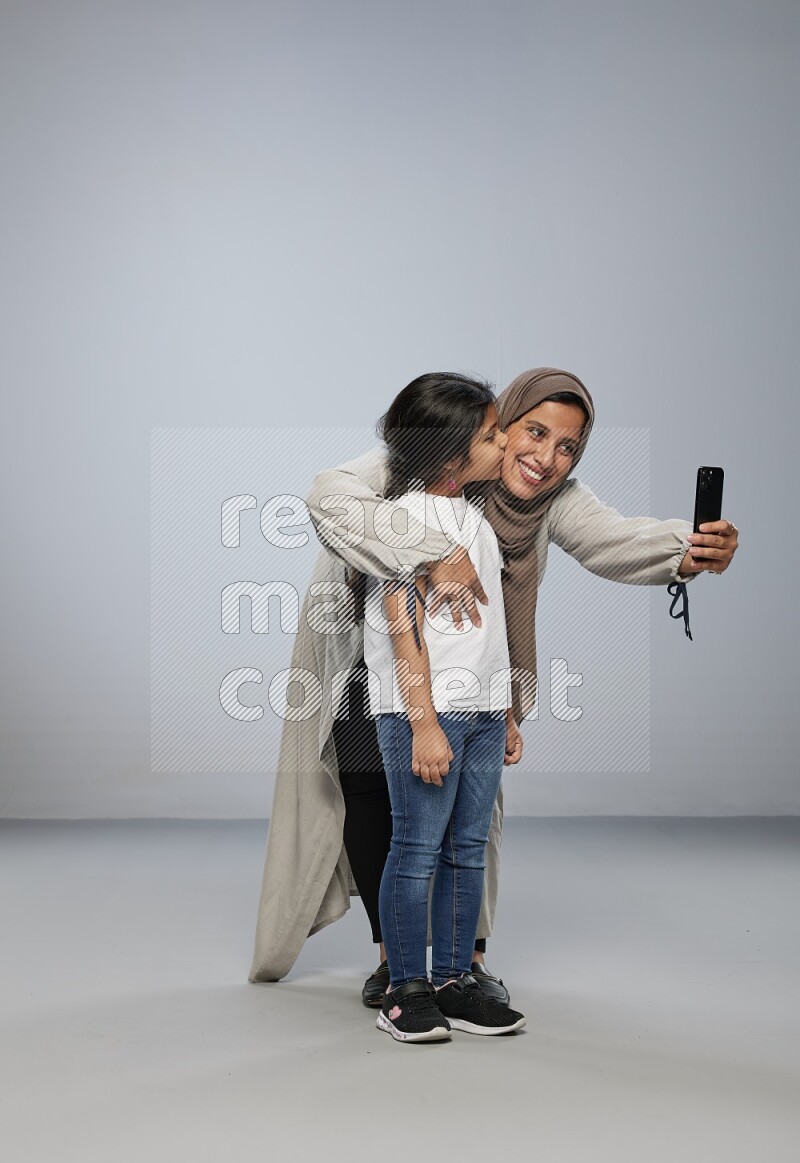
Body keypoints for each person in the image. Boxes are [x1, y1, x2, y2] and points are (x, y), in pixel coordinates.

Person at [248, 368, 739, 1000]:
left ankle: (465, 963)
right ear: (501, 424)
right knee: (372, 794)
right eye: (533, 432)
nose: (545, 457)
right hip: (369, 649)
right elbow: (329, 495)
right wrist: (430, 550)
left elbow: (612, 538)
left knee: (470, 818)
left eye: (568, 447)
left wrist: (689, 547)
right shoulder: (429, 452)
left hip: (475, 674)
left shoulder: (549, 499)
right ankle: (395, 963)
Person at [359, 372, 526, 1042]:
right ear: (452, 456)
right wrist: (424, 723)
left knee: (467, 848)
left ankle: (454, 979)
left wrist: (503, 710)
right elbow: (401, 628)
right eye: (491, 435)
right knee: (417, 846)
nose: (505, 442)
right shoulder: (399, 524)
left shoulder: (473, 519)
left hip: (481, 711)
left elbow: (488, 630)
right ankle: (405, 990)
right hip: (425, 714)